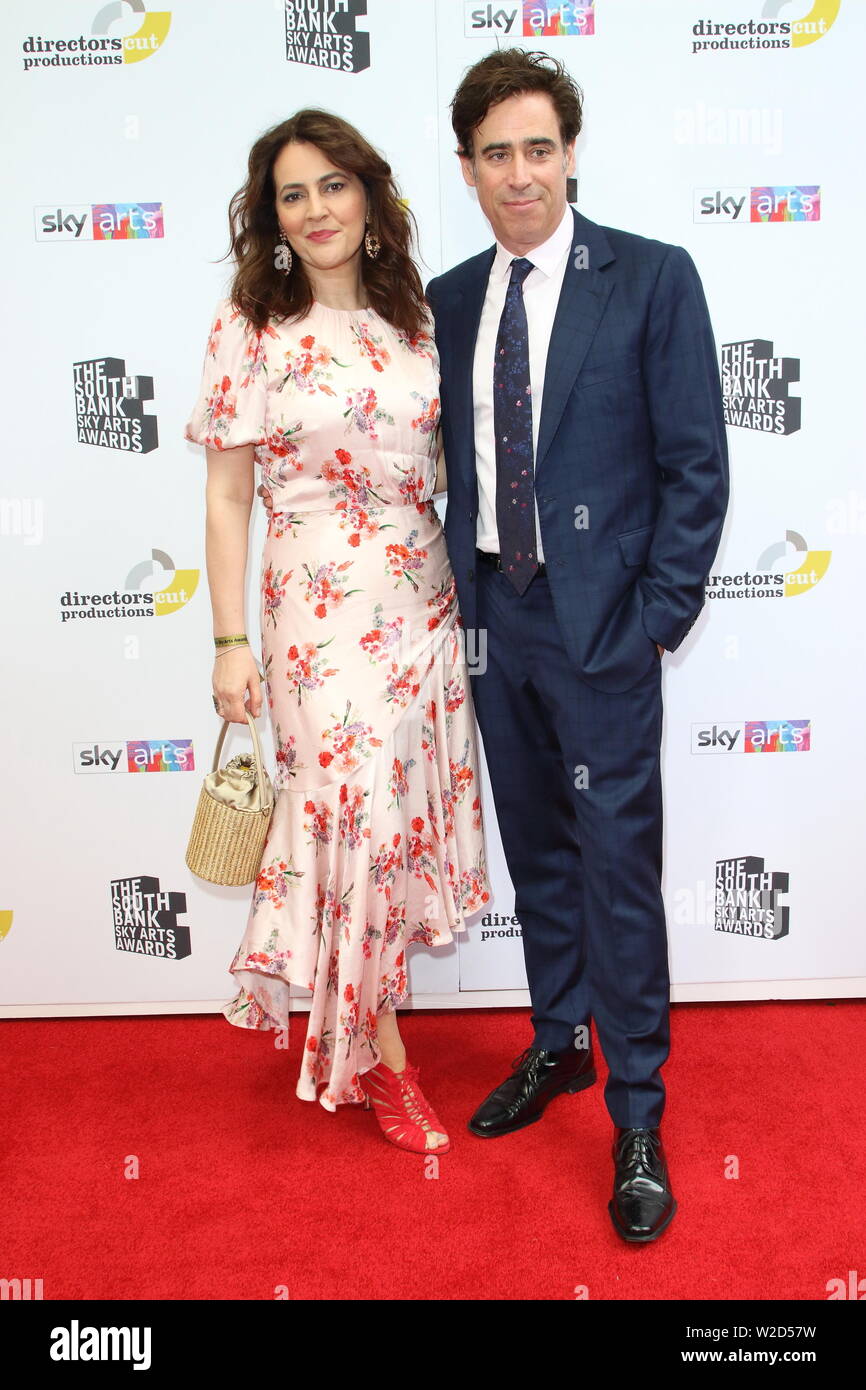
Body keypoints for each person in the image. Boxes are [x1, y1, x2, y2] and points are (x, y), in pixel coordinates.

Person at [183, 108, 491, 1158]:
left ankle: (363, 1032)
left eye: (332, 185)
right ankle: (383, 1068)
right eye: (291, 193)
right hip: (314, 613)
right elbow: (228, 500)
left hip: (420, 605)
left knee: (393, 825)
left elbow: (449, 467)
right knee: (350, 819)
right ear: (270, 217)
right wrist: (230, 643)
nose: (315, 209)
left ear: (369, 197)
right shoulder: (248, 326)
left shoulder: (417, 321)